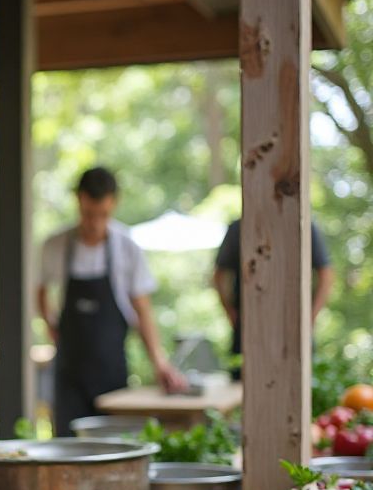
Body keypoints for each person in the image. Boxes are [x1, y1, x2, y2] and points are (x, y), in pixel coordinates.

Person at [36, 167, 186, 436]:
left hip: (112, 372)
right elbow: (41, 290)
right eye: (89, 214)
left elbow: (142, 311)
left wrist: (159, 362)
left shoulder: (127, 248)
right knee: (68, 449)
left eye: (103, 215)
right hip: (69, 373)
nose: (95, 223)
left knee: (113, 446)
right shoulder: (55, 245)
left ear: (114, 204)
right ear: (78, 201)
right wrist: (50, 324)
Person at [212, 217, 333, 376]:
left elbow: (326, 275)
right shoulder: (238, 228)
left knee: (299, 380)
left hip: (294, 325)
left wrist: (309, 318)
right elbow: (219, 275)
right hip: (247, 326)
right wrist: (232, 314)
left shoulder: (304, 224)